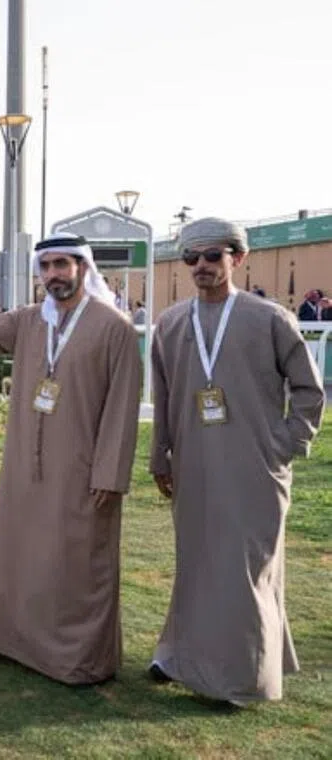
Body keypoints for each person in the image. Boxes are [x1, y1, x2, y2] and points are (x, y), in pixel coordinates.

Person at [0, 233, 142, 684]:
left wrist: (110, 474)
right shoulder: (31, 321)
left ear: (83, 267)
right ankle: (19, 643)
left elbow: (123, 409)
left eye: (62, 265)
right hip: (26, 466)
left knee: (78, 560)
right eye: (45, 267)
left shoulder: (114, 327)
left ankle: (80, 658)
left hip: (83, 468)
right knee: (25, 554)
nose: (53, 275)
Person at [149, 218, 324, 705]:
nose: (201, 267)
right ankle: (179, 656)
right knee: (197, 562)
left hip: (254, 464)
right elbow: (162, 399)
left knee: (247, 567)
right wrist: (160, 456)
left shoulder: (269, 318)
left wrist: (285, 443)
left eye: (212, 256)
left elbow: (309, 392)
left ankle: (245, 676)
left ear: (237, 259)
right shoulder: (170, 323)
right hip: (192, 462)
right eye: (191, 258)